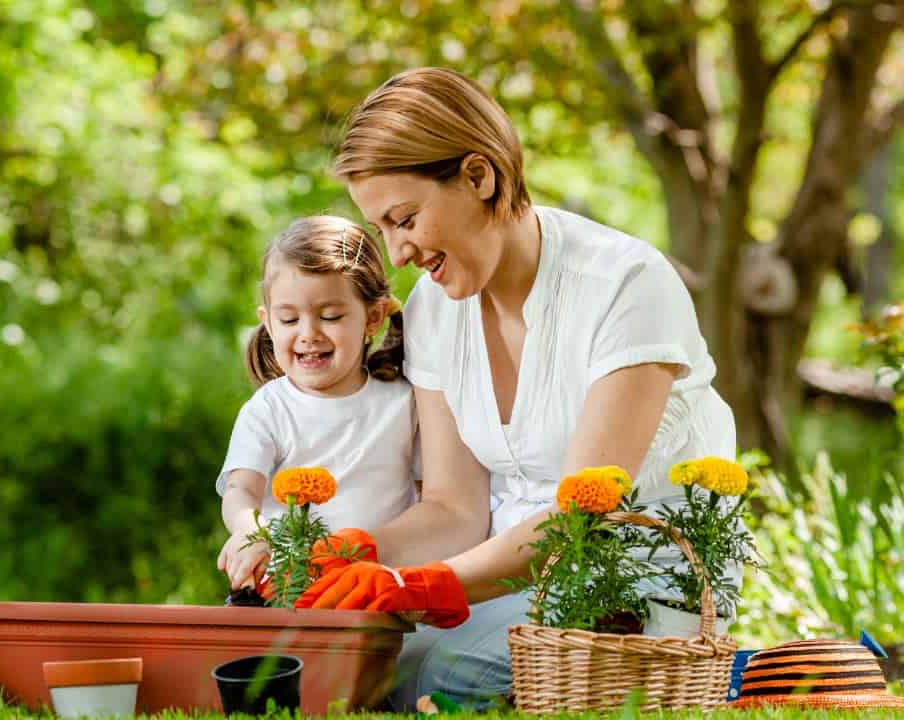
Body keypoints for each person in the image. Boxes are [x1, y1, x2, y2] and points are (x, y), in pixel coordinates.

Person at [293, 67, 738, 707]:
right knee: (351, 662)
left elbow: (584, 517)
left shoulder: (626, 284)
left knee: (437, 673)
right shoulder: (433, 311)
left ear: (480, 176)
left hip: (635, 589)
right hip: (502, 585)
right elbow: (454, 508)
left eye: (406, 218)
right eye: (383, 229)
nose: (397, 253)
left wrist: (427, 587)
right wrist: (361, 551)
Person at [216, 215, 420, 591]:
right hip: (286, 592)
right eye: (289, 319)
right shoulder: (269, 410)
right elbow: (240, 490)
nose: (308, 334)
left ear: (372, 318)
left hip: (375, 592)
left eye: (330, 316)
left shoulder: (403, 404)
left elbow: (429, 499)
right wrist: (251, 532)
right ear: (269, 322)